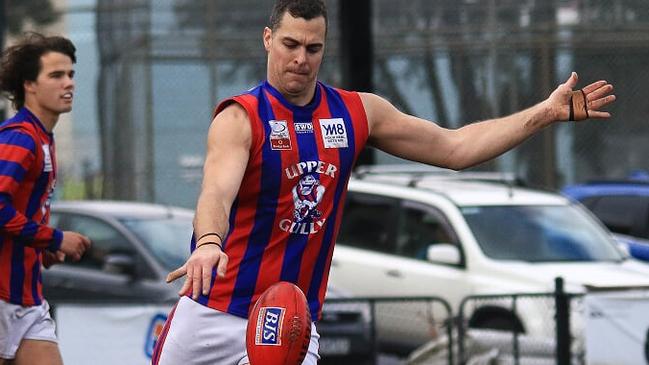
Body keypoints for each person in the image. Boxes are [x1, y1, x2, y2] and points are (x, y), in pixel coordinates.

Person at [153, 0, 616, 364]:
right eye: (290, 45)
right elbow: (215, 190)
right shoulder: (241, 117)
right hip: (213, 310)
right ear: (268, 39)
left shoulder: (357, 113)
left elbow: (455, 148)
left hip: (291, 318)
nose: (301, 59)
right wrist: (210, 241)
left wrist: (544, 113)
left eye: (313, 49)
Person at [0, 33, 91, 365]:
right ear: (29, 85)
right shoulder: (20, 138)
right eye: (55, 75)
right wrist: (55, 238)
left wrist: (43, 248)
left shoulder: (43, 138)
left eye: (70, 74)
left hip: (27, 301)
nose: (68, 83)